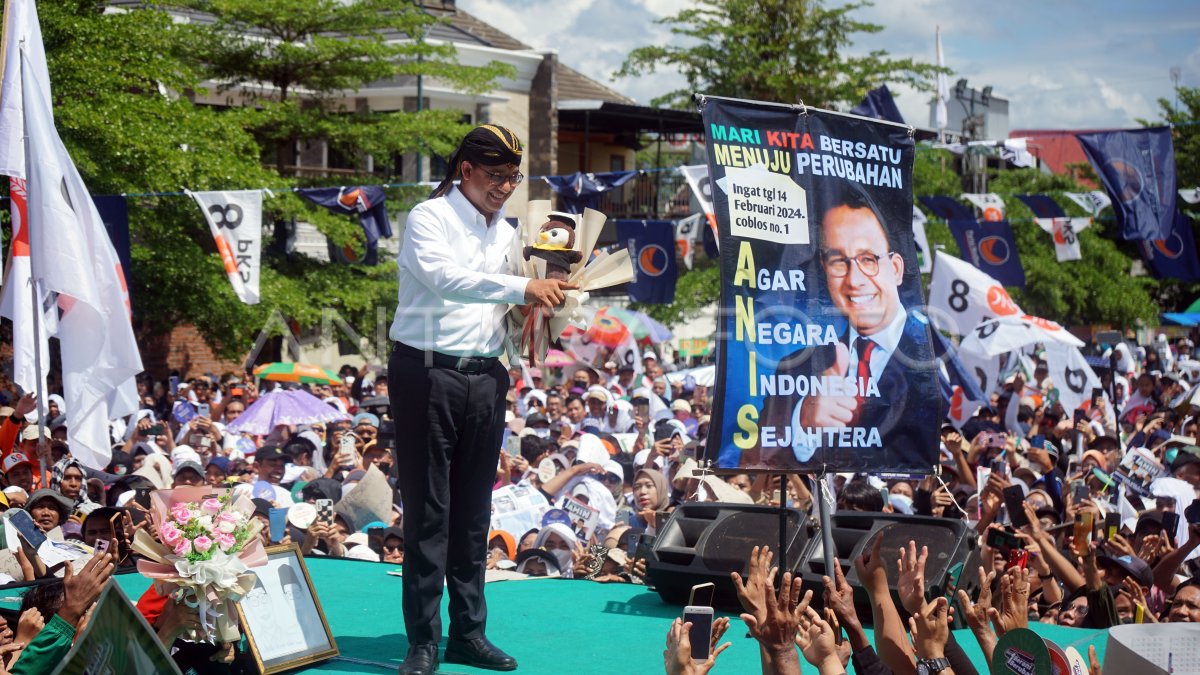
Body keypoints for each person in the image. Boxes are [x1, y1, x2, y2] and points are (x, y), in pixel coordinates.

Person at [387, 124, 575, 675]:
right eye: (496, 176)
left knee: (474, 512)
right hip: (426, 371)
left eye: (512, 178)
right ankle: (423, 640)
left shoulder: (508, 231)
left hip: (487, 374)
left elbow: (522, 290)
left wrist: (548, 303)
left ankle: (469, 632)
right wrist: (523, 290)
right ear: (465, 170)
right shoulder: (429, 217)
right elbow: (445, 278)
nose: (504, 187)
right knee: (429, 512)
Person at [757, 193, 938, 469]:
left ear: (897, 269)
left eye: (868, 259)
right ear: (824, 271)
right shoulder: (794, 369)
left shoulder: (939, 362)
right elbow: (758, 464)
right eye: (838, 262)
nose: (855, 281)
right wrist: (803, 422)